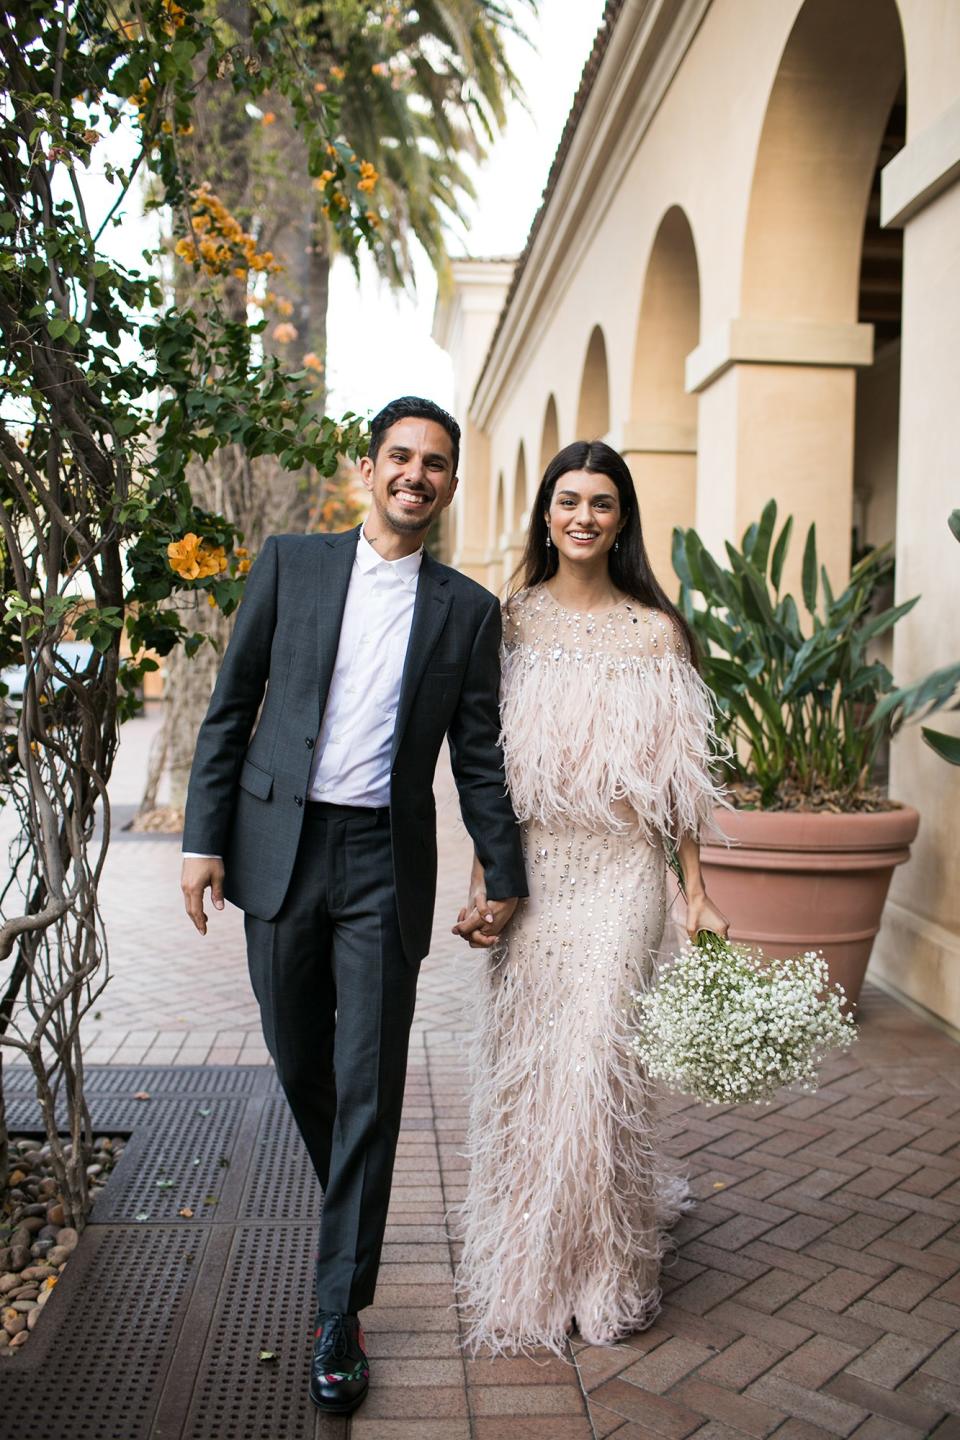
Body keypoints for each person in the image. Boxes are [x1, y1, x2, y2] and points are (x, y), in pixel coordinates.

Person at [179, 396, 527, 1416]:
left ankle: (339, 1309)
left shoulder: (465, 610)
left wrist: (502, 871)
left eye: (436, 465)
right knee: (300, 1056)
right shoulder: (292, 564)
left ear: (450, 486)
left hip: (384, 857)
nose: (417, 475)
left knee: (368, 1078)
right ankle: (353, 1193)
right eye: (401, 458)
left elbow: (478, 757)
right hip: (278, 847)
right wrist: (203, 843)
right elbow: (229, 707)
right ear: (367, 469)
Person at [452, 440, 729, 1356]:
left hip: (621, 877)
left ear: (622, 519)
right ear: (545, 513)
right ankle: (536, 1262)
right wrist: (483, 879)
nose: (583, 516)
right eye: (568, 500)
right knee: (533, 1069)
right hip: (533, 871)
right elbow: (483, 768)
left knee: (600, 1063)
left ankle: (606, 1267)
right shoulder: (512, 621)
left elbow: (680, 782)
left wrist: (695, 892)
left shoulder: (657, 632)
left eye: (602, 503)